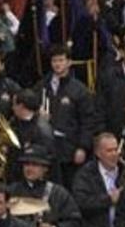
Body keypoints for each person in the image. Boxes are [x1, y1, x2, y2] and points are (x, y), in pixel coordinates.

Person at [35, 45, 98, 188]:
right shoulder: (41, 86)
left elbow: (88, 121)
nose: (57, 64)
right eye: (54, 61)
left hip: (69, 149)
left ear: (69, 62)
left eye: (61, 60)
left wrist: (82, 147)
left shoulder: (79, 90)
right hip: (47, 149)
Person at [7, 89, 58, 183]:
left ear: (21, 106)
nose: (12, 108)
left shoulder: (42, 130)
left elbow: (48, 159)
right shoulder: (14, 123)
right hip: (16, 177)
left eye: (14, 105)